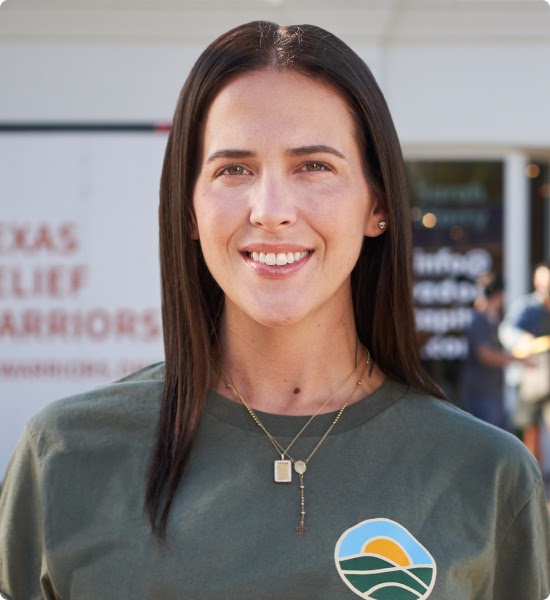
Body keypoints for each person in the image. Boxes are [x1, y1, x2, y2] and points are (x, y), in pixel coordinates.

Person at [1, 21, 549, 600]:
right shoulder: (64, 456)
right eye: (232, 169)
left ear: (378, 204)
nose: (269, 209)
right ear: (188, 209)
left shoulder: (486, 476)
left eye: (314, 165)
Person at [500, 262, 550, 465]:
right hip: (531, 380)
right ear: (536, 281)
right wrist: (523, 339)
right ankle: (533, 480)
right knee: (530, 431)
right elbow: (507, 330)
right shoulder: (526, 307)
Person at [459, 273, 518, 430]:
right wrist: (517, 358)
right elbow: (485, 355)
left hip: (493, 394)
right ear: (499, 295)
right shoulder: (479, 320)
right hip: (480, 394)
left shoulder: (492, 319)